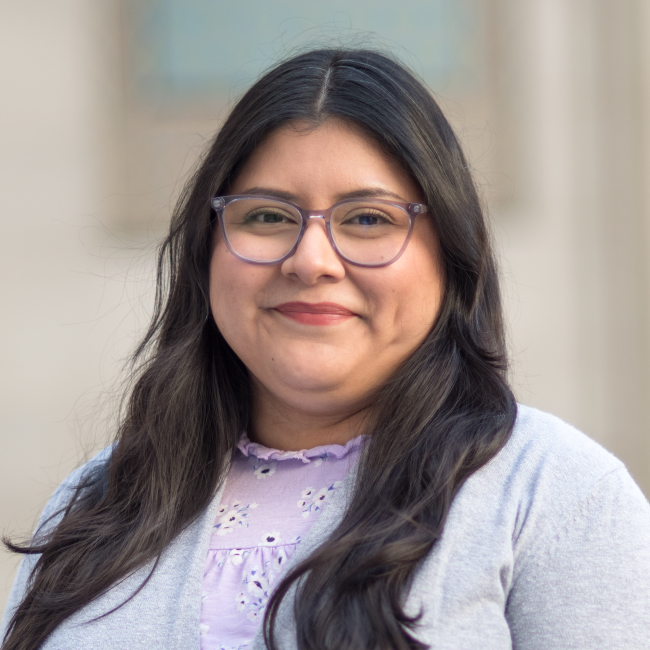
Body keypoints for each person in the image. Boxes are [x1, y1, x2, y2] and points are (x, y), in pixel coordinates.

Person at [2, 48, 650, 650]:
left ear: (450, 254)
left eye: (368, 219)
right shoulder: (99, 501)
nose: (311, 261)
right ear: (207, 253)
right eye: (266, 216)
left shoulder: (557, 497)